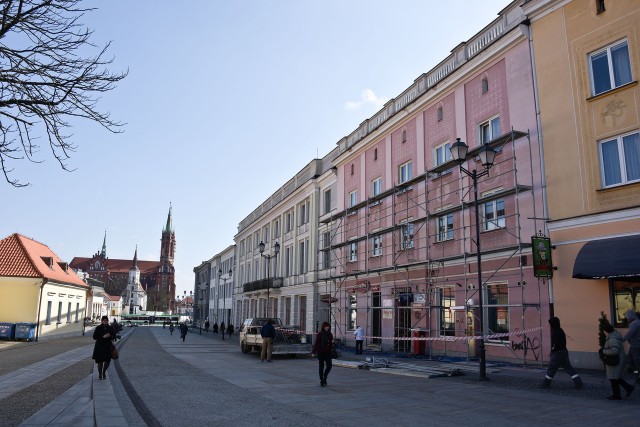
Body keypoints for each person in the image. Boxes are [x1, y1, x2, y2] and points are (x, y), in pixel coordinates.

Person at [541, 317, 583, 389]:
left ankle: (545, 384)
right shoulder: (560, 330)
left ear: (553, 324)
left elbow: (556, 344)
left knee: (551, 368)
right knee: (569, 368)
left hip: (558, 353)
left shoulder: (556, 332)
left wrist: (552, 351)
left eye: (550, 324)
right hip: (564, 352)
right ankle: (579, 383)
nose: (549, 325)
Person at [601, 322, 634, 400]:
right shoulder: (614, 336)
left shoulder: (612, 339)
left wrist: (604, 351)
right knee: (615, 378)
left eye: (604, 331)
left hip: (615, 361)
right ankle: (624, 390)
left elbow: (614, 350)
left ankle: (618, 394)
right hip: (616, 360)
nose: (603, 332)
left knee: (614, 378)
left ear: (606, 331)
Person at [92, 316, 116, 380]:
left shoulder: (110, 328)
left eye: (106, 320)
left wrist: (110, 336)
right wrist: (103, 336)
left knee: (108, 361)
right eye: (104, 320)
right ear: (102, 321)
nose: (105, 321)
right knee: (100, 361)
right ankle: (100, 374)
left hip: (108, 346)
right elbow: (94, 337)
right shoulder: (98, 328)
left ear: (108, 321)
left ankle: (104, 372)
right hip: (100, 346)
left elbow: (114, 336)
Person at [312, 321, 334, 387]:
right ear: (323, 327)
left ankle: (325, 376)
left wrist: (333, 343)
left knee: (329, 366)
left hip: (328, 353)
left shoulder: (330, 334)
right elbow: (316, 343)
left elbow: (332, 344)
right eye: (326, 326)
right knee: (321, 367)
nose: (327, 327)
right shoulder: (320, 334)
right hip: (321, 353)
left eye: (328, 326)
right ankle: (321, 380)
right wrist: (313, 352)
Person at [622, 310, 640, 385]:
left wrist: (620, 340)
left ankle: (638, 378)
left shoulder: (635, 323)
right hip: (634, 346)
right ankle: (637, 376)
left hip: (636, 347)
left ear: (631, 316)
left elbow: (629, 334)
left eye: (627, 317)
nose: (627, 319)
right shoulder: (637, 322)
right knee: (632, 363)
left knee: (636, 364)